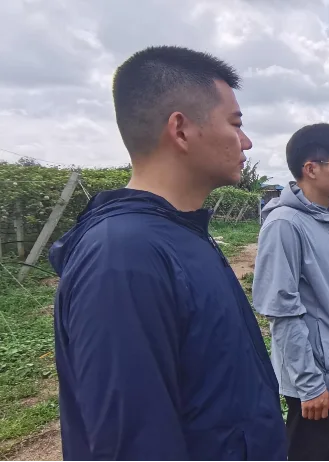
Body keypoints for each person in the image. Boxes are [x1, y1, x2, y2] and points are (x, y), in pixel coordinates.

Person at [47, 46, 287, 462]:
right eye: (235, 124)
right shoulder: (122, 257)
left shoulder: (179, 234)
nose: (246, 141)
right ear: (180, 129)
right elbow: (132, 442)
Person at [251, 123, 329, 462]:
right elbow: (281, 311)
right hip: (320, 383)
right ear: (312, 169)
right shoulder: (285, 225)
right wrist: (310, 384)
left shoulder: (324, 220)